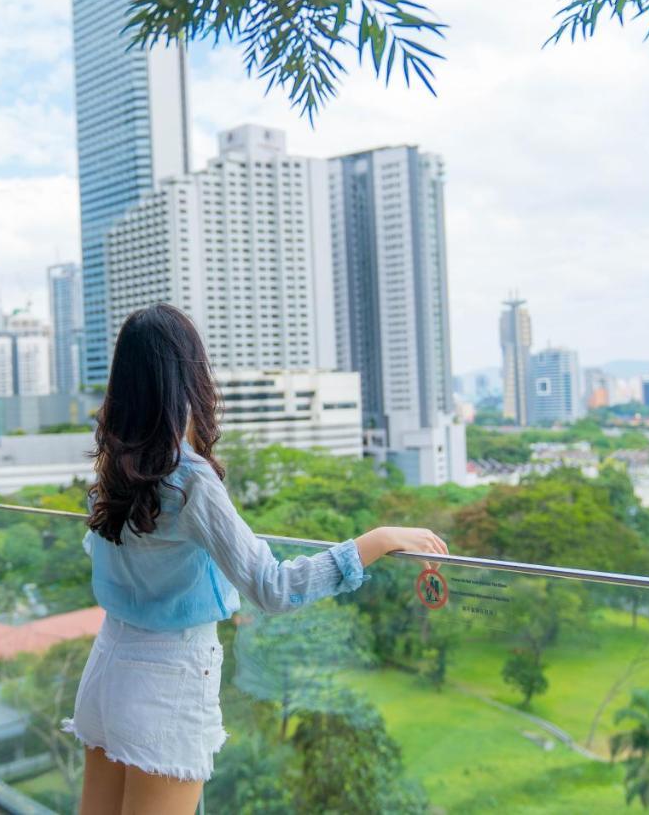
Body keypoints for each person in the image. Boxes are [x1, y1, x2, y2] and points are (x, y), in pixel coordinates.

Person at [61, 304, 449, 815]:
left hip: (107, 668)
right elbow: (274, 588)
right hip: (166, 681)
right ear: (188, 378)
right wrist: (376, 541)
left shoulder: (113, 465)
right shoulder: (189, 480)